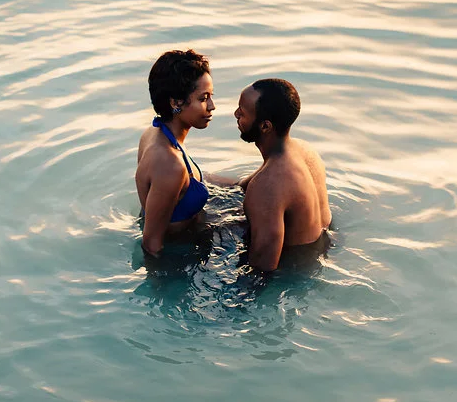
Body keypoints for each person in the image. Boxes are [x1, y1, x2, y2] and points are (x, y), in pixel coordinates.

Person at [234, 78, 331, 271]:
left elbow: (260, 270)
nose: (235, 114)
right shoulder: (303, 150)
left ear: (265, 126)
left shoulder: (269, 184)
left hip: (293, 274)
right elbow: (242, 187)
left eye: (242, 112)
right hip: (324, 248)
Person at [135, 49, 216, 256]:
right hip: (181, 256)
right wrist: (161, 286)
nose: (212, 106)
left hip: (188, 237)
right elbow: (152, 244)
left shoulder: (154, 133)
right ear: (176, 102)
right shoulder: (169, 164)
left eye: (211, 97)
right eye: (203, 98)